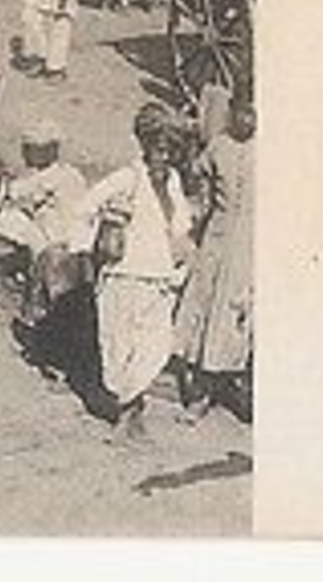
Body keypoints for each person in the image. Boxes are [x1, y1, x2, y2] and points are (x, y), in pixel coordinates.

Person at [81, 102, 196, 437]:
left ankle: (132, 407)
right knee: (119, 348)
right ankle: (129, 412)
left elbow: (180, 225)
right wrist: (110, 221)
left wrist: (183, 255)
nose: (164, 157)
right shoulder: (126, 178)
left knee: (154, 347)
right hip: (124, 274)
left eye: (170, 151)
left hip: (160, 277)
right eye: (158, 149)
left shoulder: (172, 181)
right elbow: (85, 208)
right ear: (145, 146)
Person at [173, 96, 255, 422]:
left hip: (252, 242)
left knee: (240, 313)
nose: (247, 120)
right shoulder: (220, 146)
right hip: (218, 238)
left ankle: (239, 386)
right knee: (207, 308)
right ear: (233, 112)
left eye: (254, 114)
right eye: (242, 113)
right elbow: (197, 180)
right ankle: (202, 390)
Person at [0, 118, 88, 326]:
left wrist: (0, 179)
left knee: (6, 221)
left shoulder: (48, 178)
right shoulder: (70, 174)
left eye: (30, 149)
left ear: (47, 151)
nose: (24, 153)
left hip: (57, 239)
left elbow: (12, 194)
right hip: (76, 238)